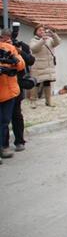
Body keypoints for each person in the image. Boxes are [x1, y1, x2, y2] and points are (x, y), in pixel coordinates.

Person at [2, 23, 35, 152]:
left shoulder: (21, 45)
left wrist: (18, 51)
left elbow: (31, 61)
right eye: (3, 38)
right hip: (3, 85)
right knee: (4, 118)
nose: (6, 40)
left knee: (16, 115)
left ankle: (19, 141)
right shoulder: (1, 48)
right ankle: (4, 144)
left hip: (17, 85)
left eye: (8, 38)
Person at [0, 28, 26, 162]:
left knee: (5, 121)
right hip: (7, 91)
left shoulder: (9, 48)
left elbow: (22, 64)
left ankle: (7, 146)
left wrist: (13, 59)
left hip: (9, 92)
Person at [29, 24, 60, 108]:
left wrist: (53, 34)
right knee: (36, 84)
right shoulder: (33, 40)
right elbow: (34, 49)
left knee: (47, 83)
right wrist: (42, 40)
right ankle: (33, 101)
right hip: (38, 66)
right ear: (35, 32)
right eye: (40, 30)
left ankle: (48, 101)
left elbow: (58, 42)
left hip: (48, 65)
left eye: (43, 30)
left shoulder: (49, 39)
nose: (42, 31)